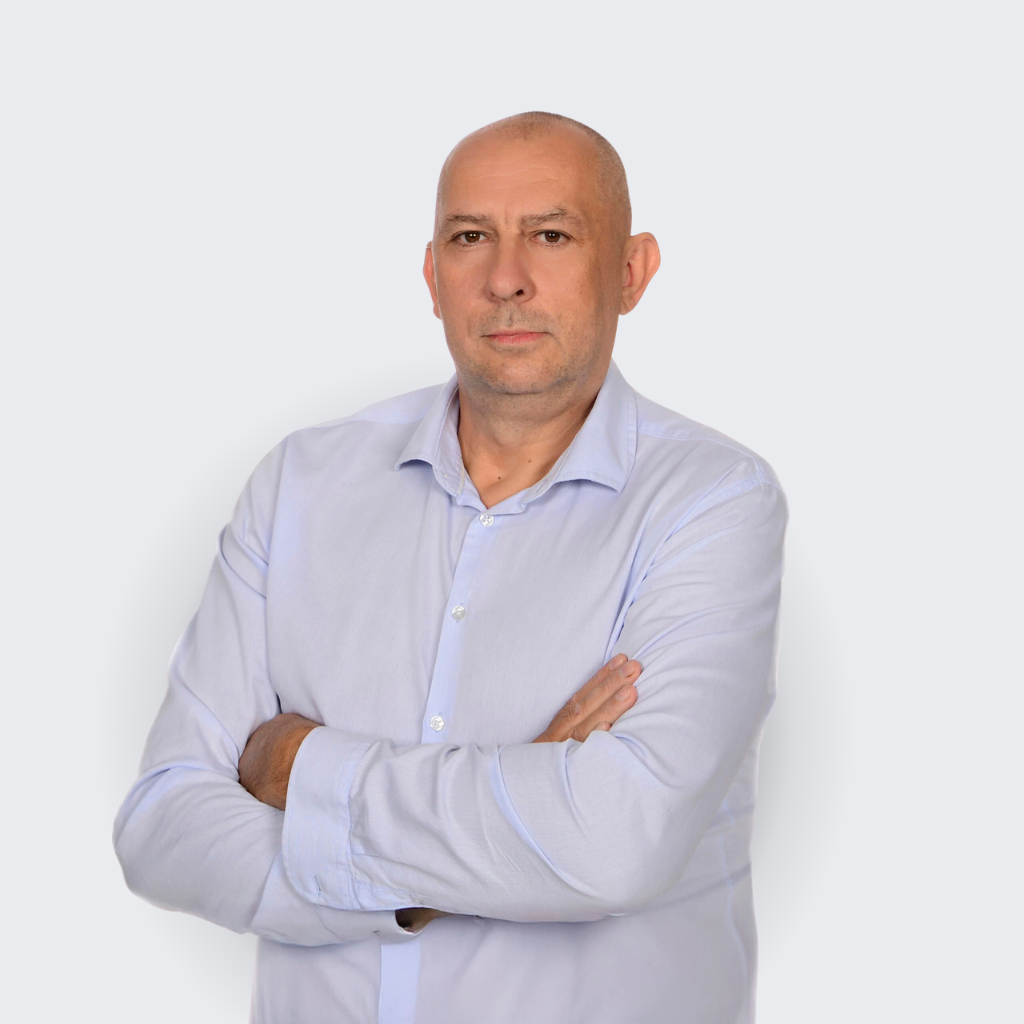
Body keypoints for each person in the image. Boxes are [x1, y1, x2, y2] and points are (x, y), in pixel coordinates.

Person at [114, 111, 787, 1024]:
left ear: (631, 272)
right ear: (432, 276)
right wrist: (490, 837)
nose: (506, 278)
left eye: (551, 235)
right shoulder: (300, 485)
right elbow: (162, 826)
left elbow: (615, 844)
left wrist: (301, 766)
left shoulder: (712, 502)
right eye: (471, 238)